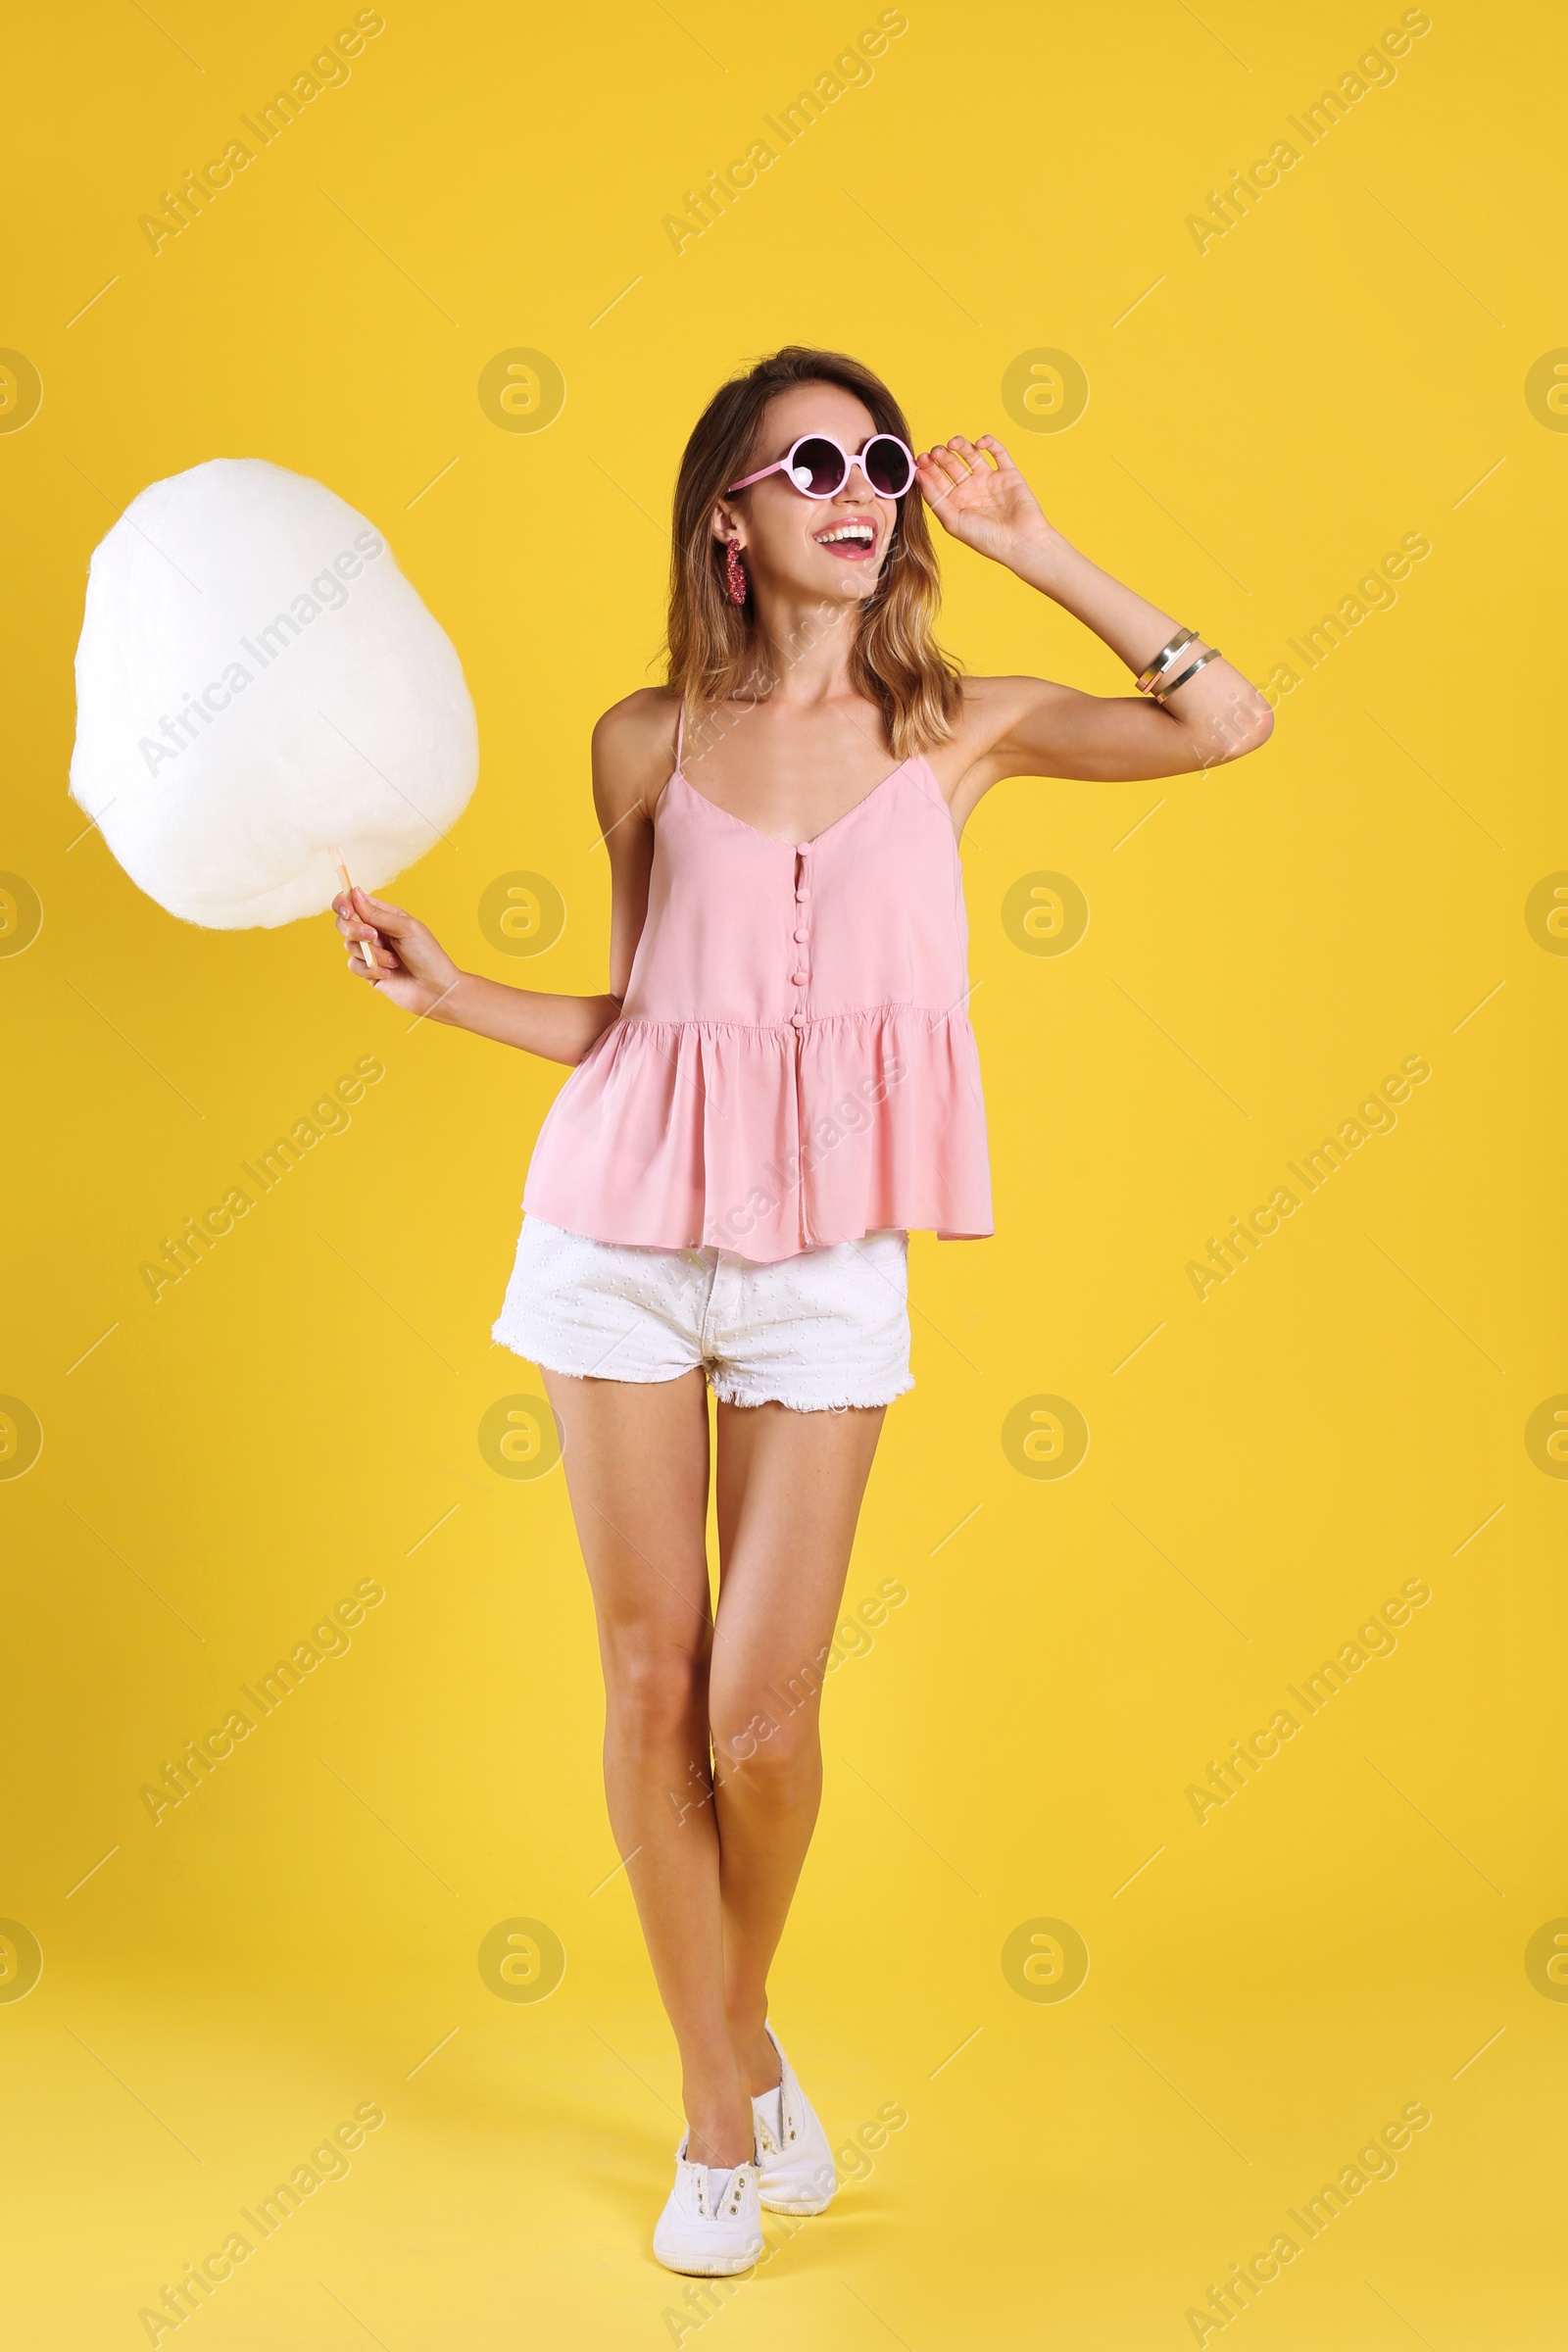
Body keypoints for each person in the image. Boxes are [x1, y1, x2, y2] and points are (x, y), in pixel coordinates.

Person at [332, 345, 1272, 2275]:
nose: (861, 487)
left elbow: (1224, 725)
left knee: (758, 1727)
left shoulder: (963, 728)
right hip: (619, 1239)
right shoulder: (636, 742)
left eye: (881, 461)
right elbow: (641, 1026)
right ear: (729, 523)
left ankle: (738, 2031)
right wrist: (449, 997)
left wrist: (1039, 543)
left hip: (828, 1258)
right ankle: (713, 2106)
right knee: (644, 1684)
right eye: (810, 463)